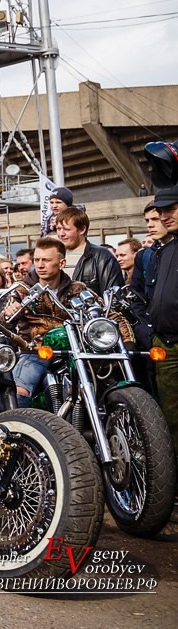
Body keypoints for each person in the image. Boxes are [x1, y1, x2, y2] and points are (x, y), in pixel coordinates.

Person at [0, 238, 87, 407]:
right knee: (19, 392)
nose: (40, 265)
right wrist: (10, 312)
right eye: (37, 260)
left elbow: (106, 313)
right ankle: (17, 423)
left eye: (46, 260)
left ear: (61, 263)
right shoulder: (22, 289)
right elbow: (4, 319)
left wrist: (128, 342)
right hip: (34, 351)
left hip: (71, 352)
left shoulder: (77, 289)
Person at [142, 187, 178, 456]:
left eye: (171, 209)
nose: (164, 216)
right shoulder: (163, 251)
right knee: (171, 416)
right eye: (161, 211)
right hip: (164, 344)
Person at [53, 206, 123, 294]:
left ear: (82, 229)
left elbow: (113, 295)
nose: (61, 234)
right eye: (58, 229)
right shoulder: (53, 256)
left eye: (66, 229)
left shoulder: (102, 256)